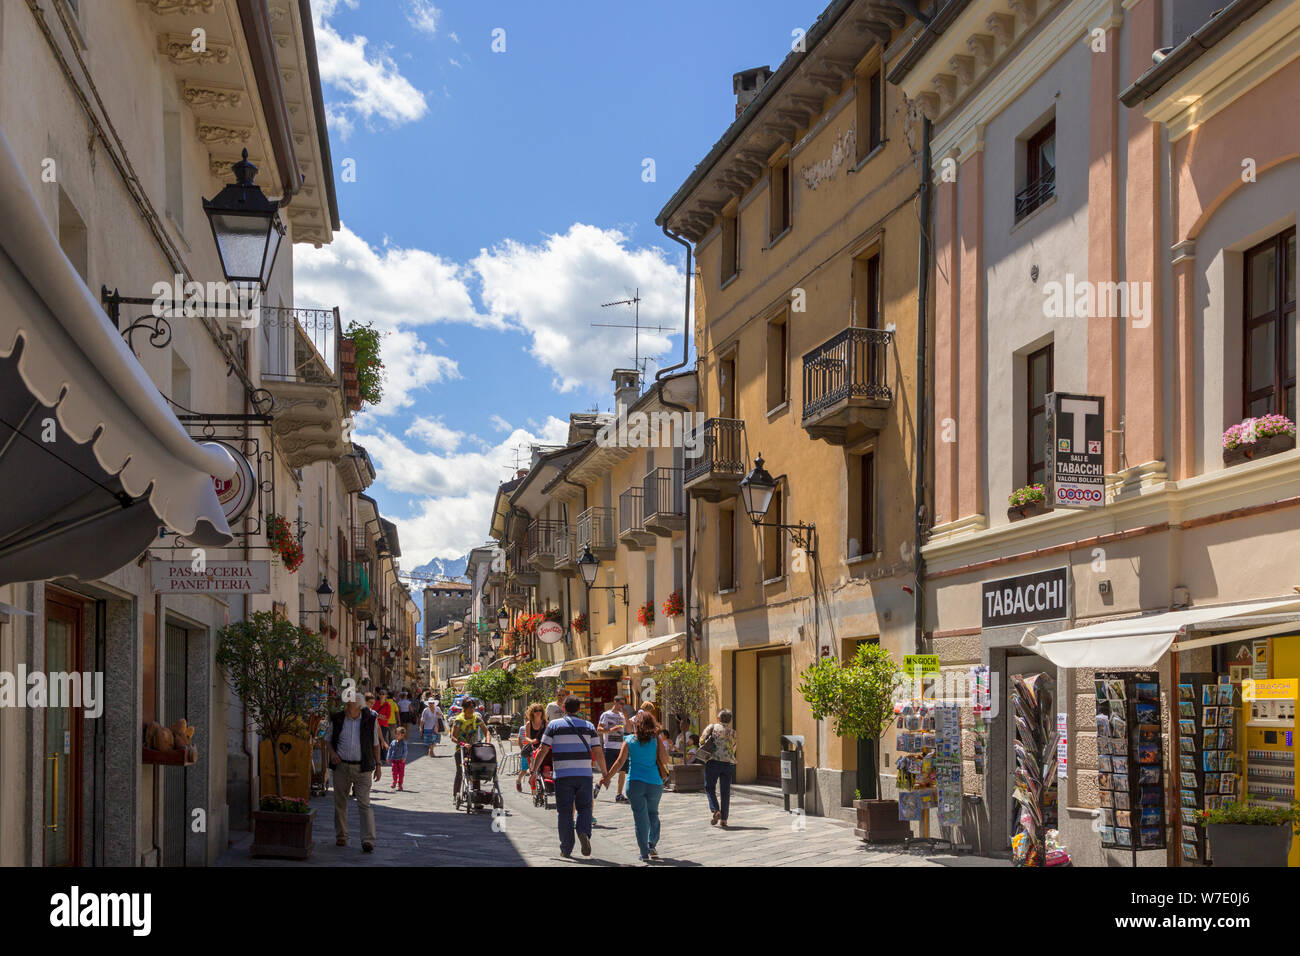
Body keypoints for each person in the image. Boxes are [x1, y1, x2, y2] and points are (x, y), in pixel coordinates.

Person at [531, 695, 608, 858]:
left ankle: (566, 848)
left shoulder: (553, 725)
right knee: (585, 807)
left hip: (563, 775)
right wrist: (605, 773)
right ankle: (584, 832)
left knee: (565, 812)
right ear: (579, 709)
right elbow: (598, 751)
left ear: (564, 709)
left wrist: (533, 770)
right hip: (584, 775)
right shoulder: (589, 726)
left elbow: (543, 749)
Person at [601, 711, 669, 862]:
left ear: (636, 725)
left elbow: (619, 763)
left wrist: (607, 778)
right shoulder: (655, 740)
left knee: (640, 818)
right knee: (653, 813)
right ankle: (652, 843)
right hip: (654, 783)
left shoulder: (629, 740)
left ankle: (644, 852)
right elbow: (665, 759)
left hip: (635, 783)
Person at [327, 693, 383, 853]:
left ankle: (368, 840)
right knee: (340, 803)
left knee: (364, 804)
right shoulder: (338, 718)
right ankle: (341, 836)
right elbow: (328, 739)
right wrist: (332, 754)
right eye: (346, 704)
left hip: (363, 768)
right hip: (342, 767)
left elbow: (375, 744)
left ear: (358, 706)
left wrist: (378, 765)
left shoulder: (370, 720)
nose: (346, 707)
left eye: (349, 704)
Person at [701, 709, 738, 827]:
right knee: (725, 791)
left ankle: (716, 810)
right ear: (730, 720)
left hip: (713, 761)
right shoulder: (733, 732)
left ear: (718, 719)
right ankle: (724, 820)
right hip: (728, 764)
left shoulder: (712, 727)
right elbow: (734, 748)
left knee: (709, 787)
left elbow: (701, 740)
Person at [450, 697, 491, 799]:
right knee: (460, 772)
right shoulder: (459, 720)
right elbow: (453, 737)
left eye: (473, 706)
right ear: (463, 708)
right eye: (469, 707)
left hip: (474, 748)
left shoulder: (476, 718)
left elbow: (487, 732)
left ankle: (476, 796)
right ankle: (456, 795)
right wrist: (463, 744)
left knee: (476, 771)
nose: (471, 709)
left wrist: (487, 743)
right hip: (461, 749)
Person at [597, 695, 632, 803]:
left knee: (622, 771)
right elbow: (599, 729)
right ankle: (598, 785)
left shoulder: (622, 716)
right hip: (609, 746)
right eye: (621, 703)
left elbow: (629, 730)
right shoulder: (606, 715)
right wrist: (611, 729)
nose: (622, 706)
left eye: (624, 704)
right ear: (614, 702)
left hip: (620, 747)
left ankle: (619, 794)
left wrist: (626, 716)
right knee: (607, 772)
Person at [516, 702, 547, 792]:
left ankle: (544, 786)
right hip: (533, 749)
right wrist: (532, 741)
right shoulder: (529, 724)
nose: (538, 712)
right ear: (532, 712)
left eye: (540, 710)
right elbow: (526, 737)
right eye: (536, 710)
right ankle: (534, 790)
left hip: (544, 748)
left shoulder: (545, 723)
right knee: (532, 769)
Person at [388, 726, 409, 790]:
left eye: (398, 734)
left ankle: (400, 784)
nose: (396, 735)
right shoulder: (393, 742)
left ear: (402, 735)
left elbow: (405, 751)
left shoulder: (403, 743)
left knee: (401, 773)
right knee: (394, 772)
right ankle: (394, 782)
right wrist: (389, 757)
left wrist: (404, 757)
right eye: (396, 734)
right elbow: (390, 750)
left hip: (401, 760)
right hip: (394, 759)